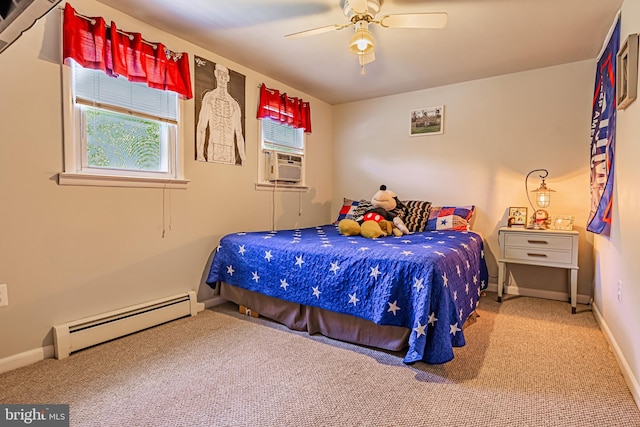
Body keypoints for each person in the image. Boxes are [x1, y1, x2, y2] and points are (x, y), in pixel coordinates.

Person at [196, 64, 246, 165]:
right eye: (220, 74)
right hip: (213, 150)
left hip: (230, 152)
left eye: (224, 75)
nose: (222, 78)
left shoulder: (234, 104)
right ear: (215, 75)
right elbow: (201, 127)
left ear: (228, 78)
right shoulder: (209, 98)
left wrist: (243, 158)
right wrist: (200, 154)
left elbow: (239, 133)